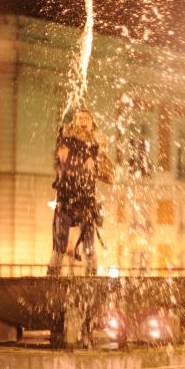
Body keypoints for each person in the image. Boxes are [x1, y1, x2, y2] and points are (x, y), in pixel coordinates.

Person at [47, 109, 114, 276]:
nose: (83, 120)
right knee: (60, 241)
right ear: (75, 122)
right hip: (66, 196)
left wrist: (96, 161)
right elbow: (61, 158)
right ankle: (52, 274)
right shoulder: (66, 139)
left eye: (87, 118)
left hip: (86, 198)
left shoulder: (96, 145)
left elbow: (108, 173)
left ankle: (92, 274)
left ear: (92, 124)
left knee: (89, 244)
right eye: (80, 118)